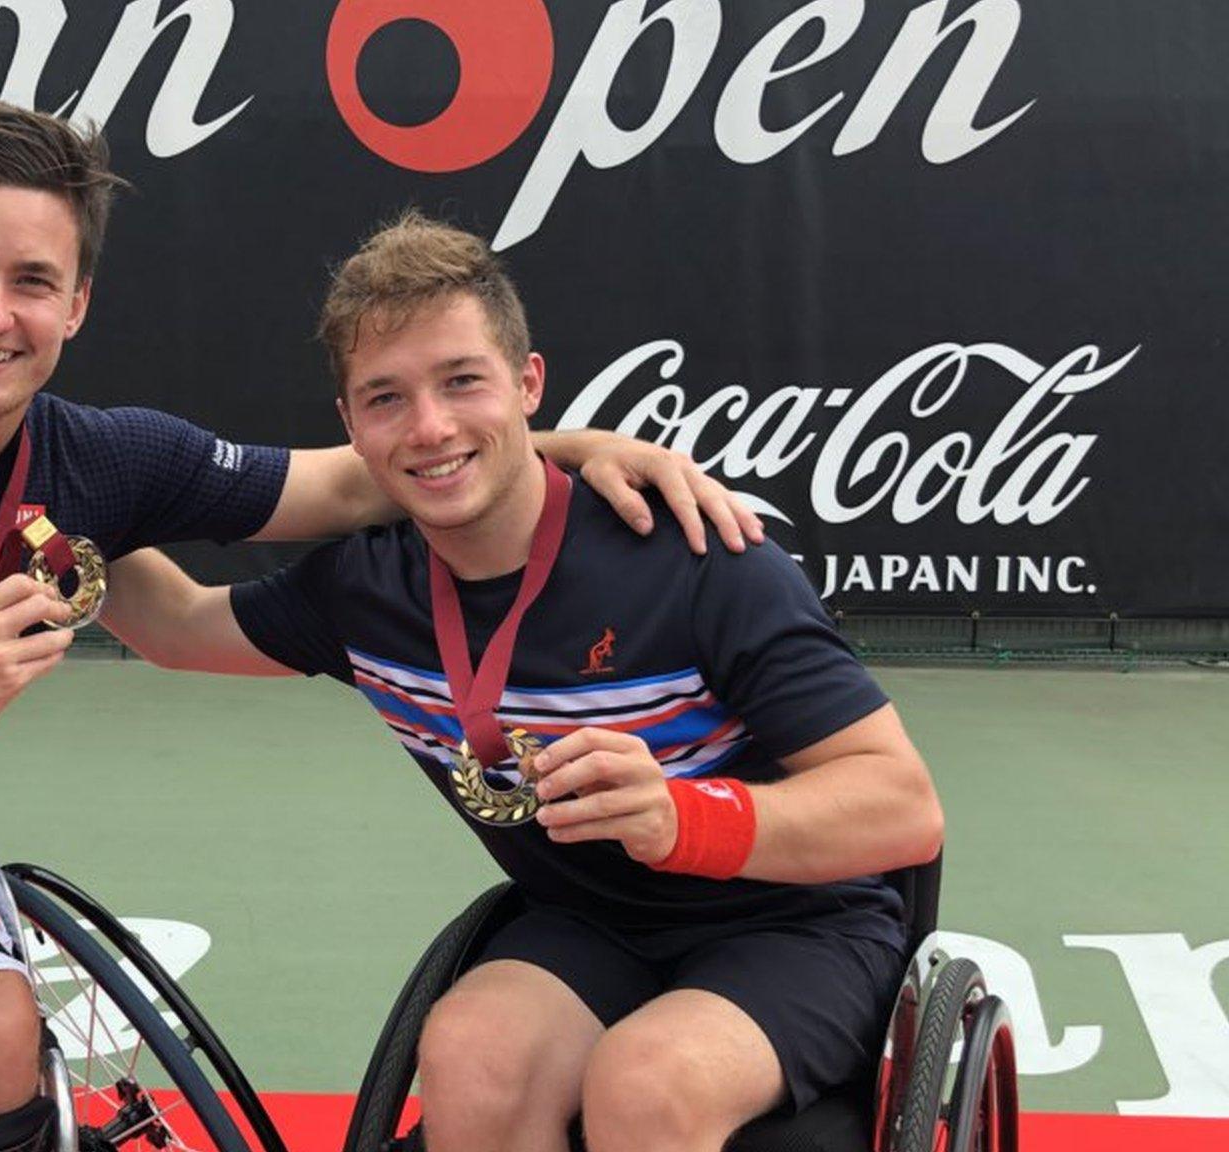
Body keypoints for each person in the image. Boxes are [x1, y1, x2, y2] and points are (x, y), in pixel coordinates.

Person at [0, 102, 763, 1152]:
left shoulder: (102, 457)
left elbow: (355, 479)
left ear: (76, 303)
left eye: (33, 282)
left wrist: (581, 448)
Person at [99, 211, 944, 1152]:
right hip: (591, 922)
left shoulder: (698, 557)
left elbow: (901, 806)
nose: (430, 427)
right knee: (467, 1053)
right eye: (386, 398)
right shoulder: (364, 589)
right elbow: (172, 626)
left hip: (798, 928)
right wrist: (34, 516)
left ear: (528, 383)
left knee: (648, 1083)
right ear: (349, 425)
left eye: (463, 381)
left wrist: (682, 815)